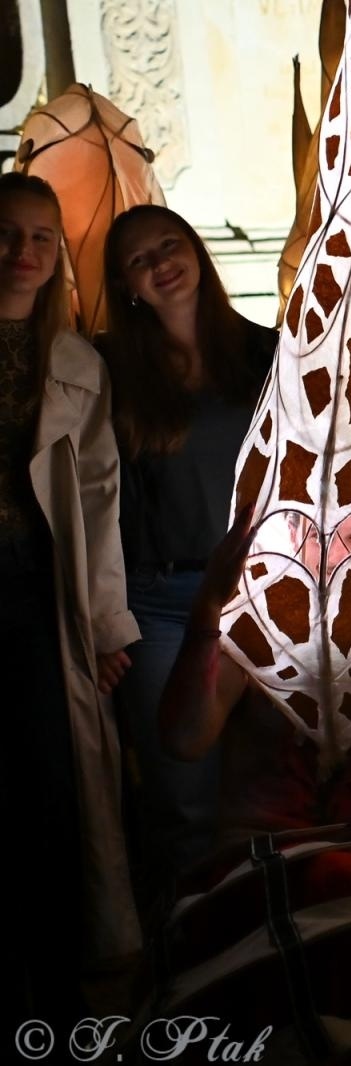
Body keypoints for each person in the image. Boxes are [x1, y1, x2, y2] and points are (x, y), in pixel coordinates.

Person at [98, 203, 276, 896]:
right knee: (181, 799)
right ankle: (191, 952)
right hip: (161, 606)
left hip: (263, 595)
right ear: (127, 287)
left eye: (169, 245)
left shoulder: (265, 352)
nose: (160, 263)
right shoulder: (112, 370)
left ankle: (279, 935)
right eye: (139, 260)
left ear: (196, 252)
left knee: (271, 787)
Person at [0, 171, 141, 1031]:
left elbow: (97, 496)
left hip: (37, 601)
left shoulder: (73, 361)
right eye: (7, 233)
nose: (23, 253)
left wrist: (105, 622)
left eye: (41, 237)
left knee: (54, 798)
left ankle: (56, 1006)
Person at [159, 509, 351, 848]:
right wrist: (210, 601)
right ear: (294, 538)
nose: (334, 557)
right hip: (257, 862)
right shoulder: (253, 631)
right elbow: (184, 740)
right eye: (318, 536)